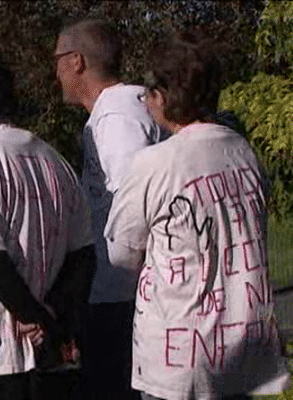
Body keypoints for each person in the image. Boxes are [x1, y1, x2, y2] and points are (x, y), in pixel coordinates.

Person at [104, 31, 291, 399]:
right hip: (242, 344)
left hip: (180, 355)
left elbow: (121, 253)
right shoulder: (243, 153)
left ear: (161, 97)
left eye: (147, 95)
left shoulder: (154, 164)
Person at [0, 48, 95, 400]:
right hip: (50, 358)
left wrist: (37, 316)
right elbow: (83, 254)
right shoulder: (53, 159)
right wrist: (56, 315)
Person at [54, 19, 160, 399]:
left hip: (122, 298)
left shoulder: (116, 118)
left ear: (76, 61)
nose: (56, 73)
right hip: (121, 295)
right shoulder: (120, 111)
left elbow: (137, 204)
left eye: (57, 60)